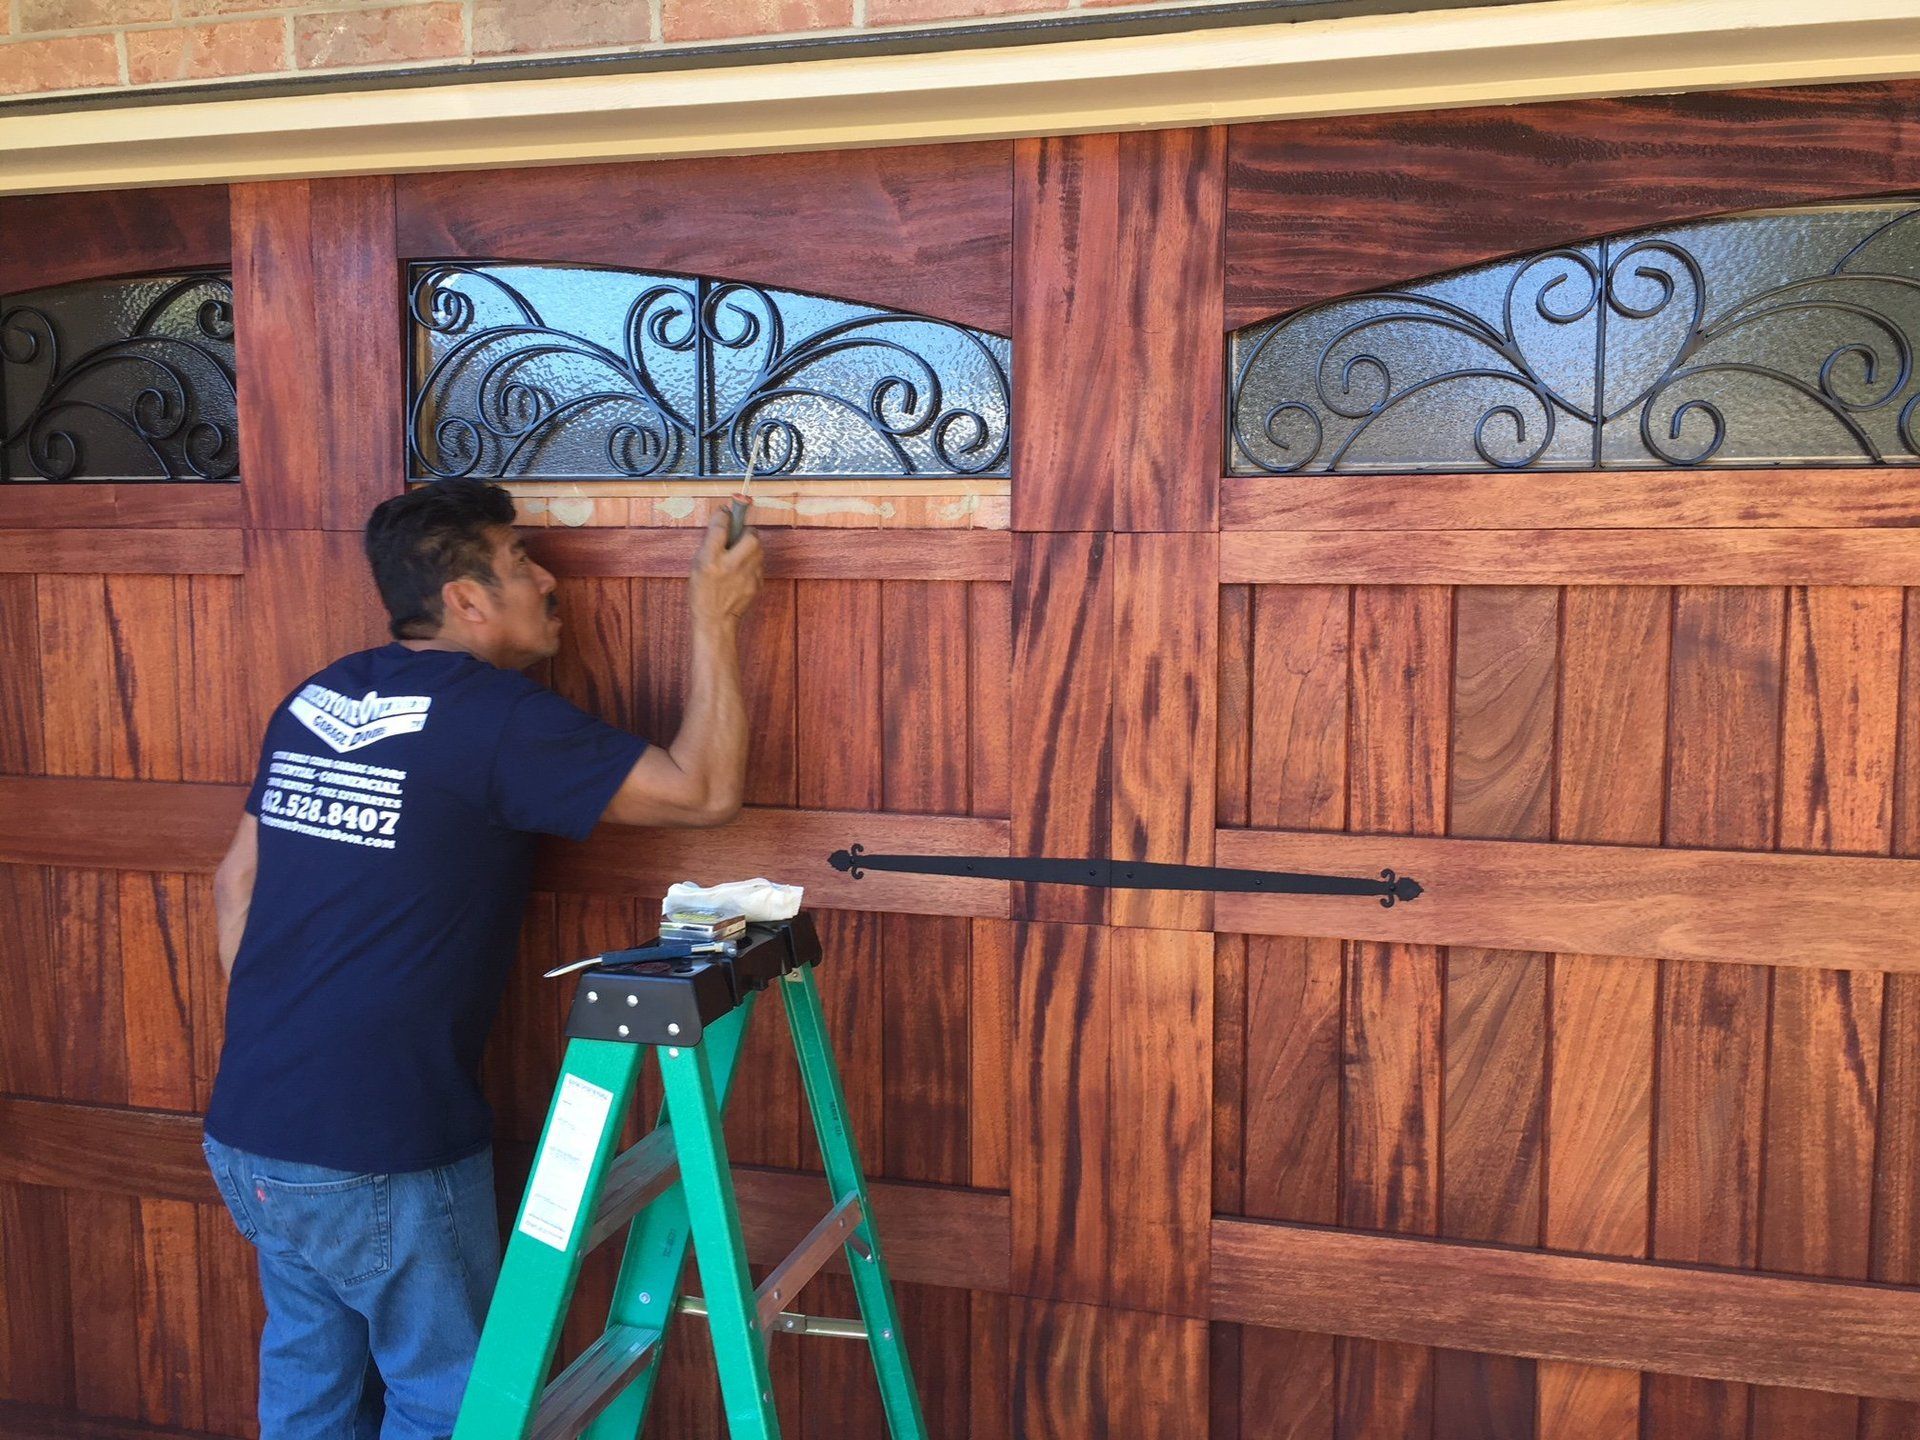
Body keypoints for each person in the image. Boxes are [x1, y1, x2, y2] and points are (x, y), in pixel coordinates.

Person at [201, 478, 763, 1439]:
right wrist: (713, 615)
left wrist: (297, 1060)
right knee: (451, 1407)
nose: (547, 581)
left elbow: (233, 885)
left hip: (252, 1127)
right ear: (465, 598)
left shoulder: (319, 697)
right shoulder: (493, 716)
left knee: (309, 1391)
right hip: (381, 1143)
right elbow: (703, 793)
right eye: (520, 561)